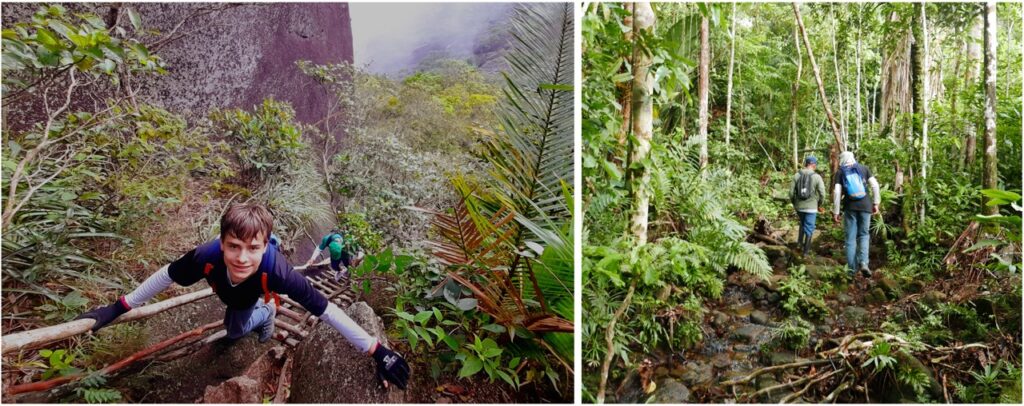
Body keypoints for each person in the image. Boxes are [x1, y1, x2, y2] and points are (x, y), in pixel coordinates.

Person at [76, 203, 409, 389]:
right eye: (234, 246)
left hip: (245, 299)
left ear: (265, 247)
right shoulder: (204, 257)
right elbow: (166, 276)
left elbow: (324, 309)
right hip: (230, 294)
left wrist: (377, 350)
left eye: (253, 248)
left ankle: (266, 315)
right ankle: (264, 313)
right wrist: (116, 308)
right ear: (222, 243)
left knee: (236, 330)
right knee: (235, 323)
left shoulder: (278, 272)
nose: (242, 257)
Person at [831, 151, 881, 278]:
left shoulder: (840, 172)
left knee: (850, 239)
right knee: (864, 235)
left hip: (850, 208)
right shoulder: (864, 168)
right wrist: (876, 203)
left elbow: (837, 192)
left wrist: (836, 211)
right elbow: (875, 185)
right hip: (866, 206)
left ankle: (851, 271)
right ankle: (864, 263)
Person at [790, 156, 826, 256]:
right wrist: (819, 204)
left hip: (799, 207)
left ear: (806, 164)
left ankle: (799, 245)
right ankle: (805, 253)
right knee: (809, 228)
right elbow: (822, 193)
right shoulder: (817, 177)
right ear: (813, 165)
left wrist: (794, 203)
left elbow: (791, 193)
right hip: (812, 207)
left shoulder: (797, 175)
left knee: (802, 223)